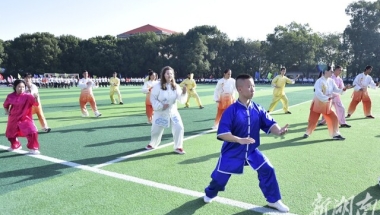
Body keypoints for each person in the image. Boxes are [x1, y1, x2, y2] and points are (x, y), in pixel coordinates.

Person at [203, 74, 290, 212]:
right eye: (249, 86)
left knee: (268, 169)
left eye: (254, 86)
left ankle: (274, 200)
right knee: (219, 180)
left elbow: (270, 123)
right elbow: (222, 133)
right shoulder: (231, 110)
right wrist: (239, 140)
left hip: (251, 151)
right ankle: (210, 193)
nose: (253, 89)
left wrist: (279, 131)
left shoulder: (258, 109)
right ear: (240, 89)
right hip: (232, 152)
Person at [145, 66, 188, 154]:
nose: (169, 75)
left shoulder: (175, 86)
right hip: (161, 112)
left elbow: (181, 99)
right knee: (156, 130)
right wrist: (160, 106)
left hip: (173, 111)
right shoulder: (157, 86)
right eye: (167, 73)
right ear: (163, 75)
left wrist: (184, 93)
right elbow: (153, 98)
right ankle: (153, 143)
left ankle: (178, 147)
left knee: (179, 127)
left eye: (171, 73)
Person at [303, 66, 346, 140]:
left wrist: (343, 89)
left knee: (334, 118)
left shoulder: (331, 81)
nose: (332, 73)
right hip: (318, 103)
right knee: (313, 120)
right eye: (331, 71)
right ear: (326, 72)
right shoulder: (319, 81)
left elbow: (336, 90)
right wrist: (327, 98)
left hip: (327, 104)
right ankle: (307, 132)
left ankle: (335, 134)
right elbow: (318, 93)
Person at [3, 79, 41, 154]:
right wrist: (7, 111)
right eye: (19, 87)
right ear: (15, 87)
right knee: (10, 134)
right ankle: (15, 145)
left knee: (32, 131)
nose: (21, 89)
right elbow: (5, 105)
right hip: (13, 118)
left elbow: (36, 104)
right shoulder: (10, 96)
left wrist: (36, 98)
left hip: (25, 118)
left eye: (23, 87)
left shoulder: (28, 96)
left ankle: (33, 148)